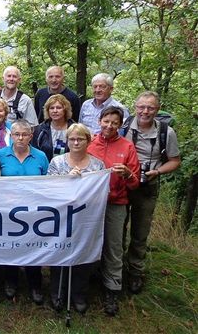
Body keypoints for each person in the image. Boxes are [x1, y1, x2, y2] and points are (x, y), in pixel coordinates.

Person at [123, 92, 180, 294]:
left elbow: (175, 160)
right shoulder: (124, 126)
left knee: (140, 232)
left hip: (148, 186)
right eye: (141, 107)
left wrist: (157, 171)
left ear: (157, 109)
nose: (145, 111)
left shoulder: (167, 132)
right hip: (123, 184)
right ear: (135, 107)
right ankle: (115, 270)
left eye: (150, 108)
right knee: (117, 230)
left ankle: (135, 272)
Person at [87, 106, 139, 316]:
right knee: (88, 242)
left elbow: (135, 183)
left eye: (114, 123)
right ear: (99, 121)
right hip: (90, 204)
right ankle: (88, 279)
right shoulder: (89, 143)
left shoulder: (127, 147)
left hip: (116, 203)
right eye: (106, 121)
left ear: (120, 125)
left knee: (114, 246)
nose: (109, 126)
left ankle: (112, 289)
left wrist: (127, 174)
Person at [47, 123, 105, 313]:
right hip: (62, 217)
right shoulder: (57, 162)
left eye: (80, 138)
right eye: (72, 139)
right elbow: (48, 189)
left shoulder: (98, 165)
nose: (76, 142)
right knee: (60, 251)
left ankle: (78, 293)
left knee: (83, 253)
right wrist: (66, 181)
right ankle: (57, 293)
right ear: (67, 141)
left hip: (87, 218)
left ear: (88, 141)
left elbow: (101, 192)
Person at [0, 120, 49, 305]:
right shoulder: (0, 155)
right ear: (11, 136)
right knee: (11, 246)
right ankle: (11, 280)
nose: (20, 138)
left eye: (24, 134)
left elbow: (48, 184)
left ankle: (35, 284)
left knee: (33, 246)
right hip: (8, 211)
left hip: (33, 212)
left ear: (30, 136)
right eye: (16, 134)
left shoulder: (41, 156)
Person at [32, 94, 75, 162]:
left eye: (58, 108)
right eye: (51, 108)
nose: (55, 111)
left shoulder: (75, 129)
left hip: (69, 169)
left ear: (65, 109)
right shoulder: (39, 130)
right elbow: (34, 152)